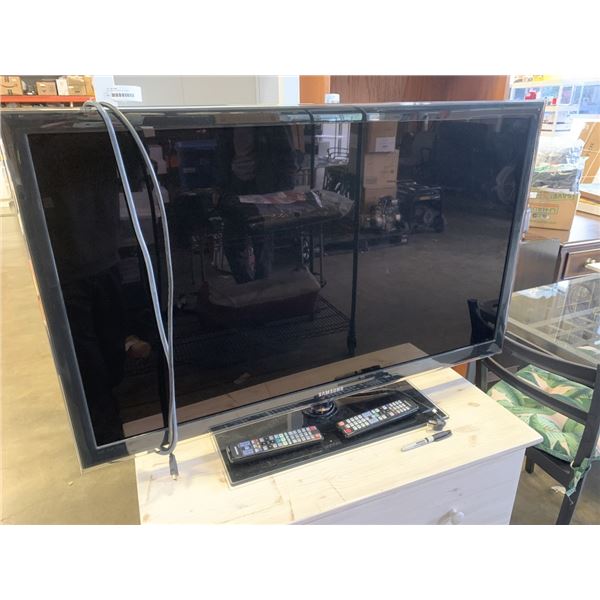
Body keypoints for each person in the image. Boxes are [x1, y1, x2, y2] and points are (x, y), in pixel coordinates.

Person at [215, 125, 297, 283]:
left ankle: (261, 288)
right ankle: (246, 285)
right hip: (235, 186)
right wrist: (219, 188)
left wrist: (284, 193)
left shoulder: (268, 122)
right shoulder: (228, 123)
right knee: (232, 242)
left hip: (264, 188)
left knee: (263, 243)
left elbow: (288, 156)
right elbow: (221, 155)